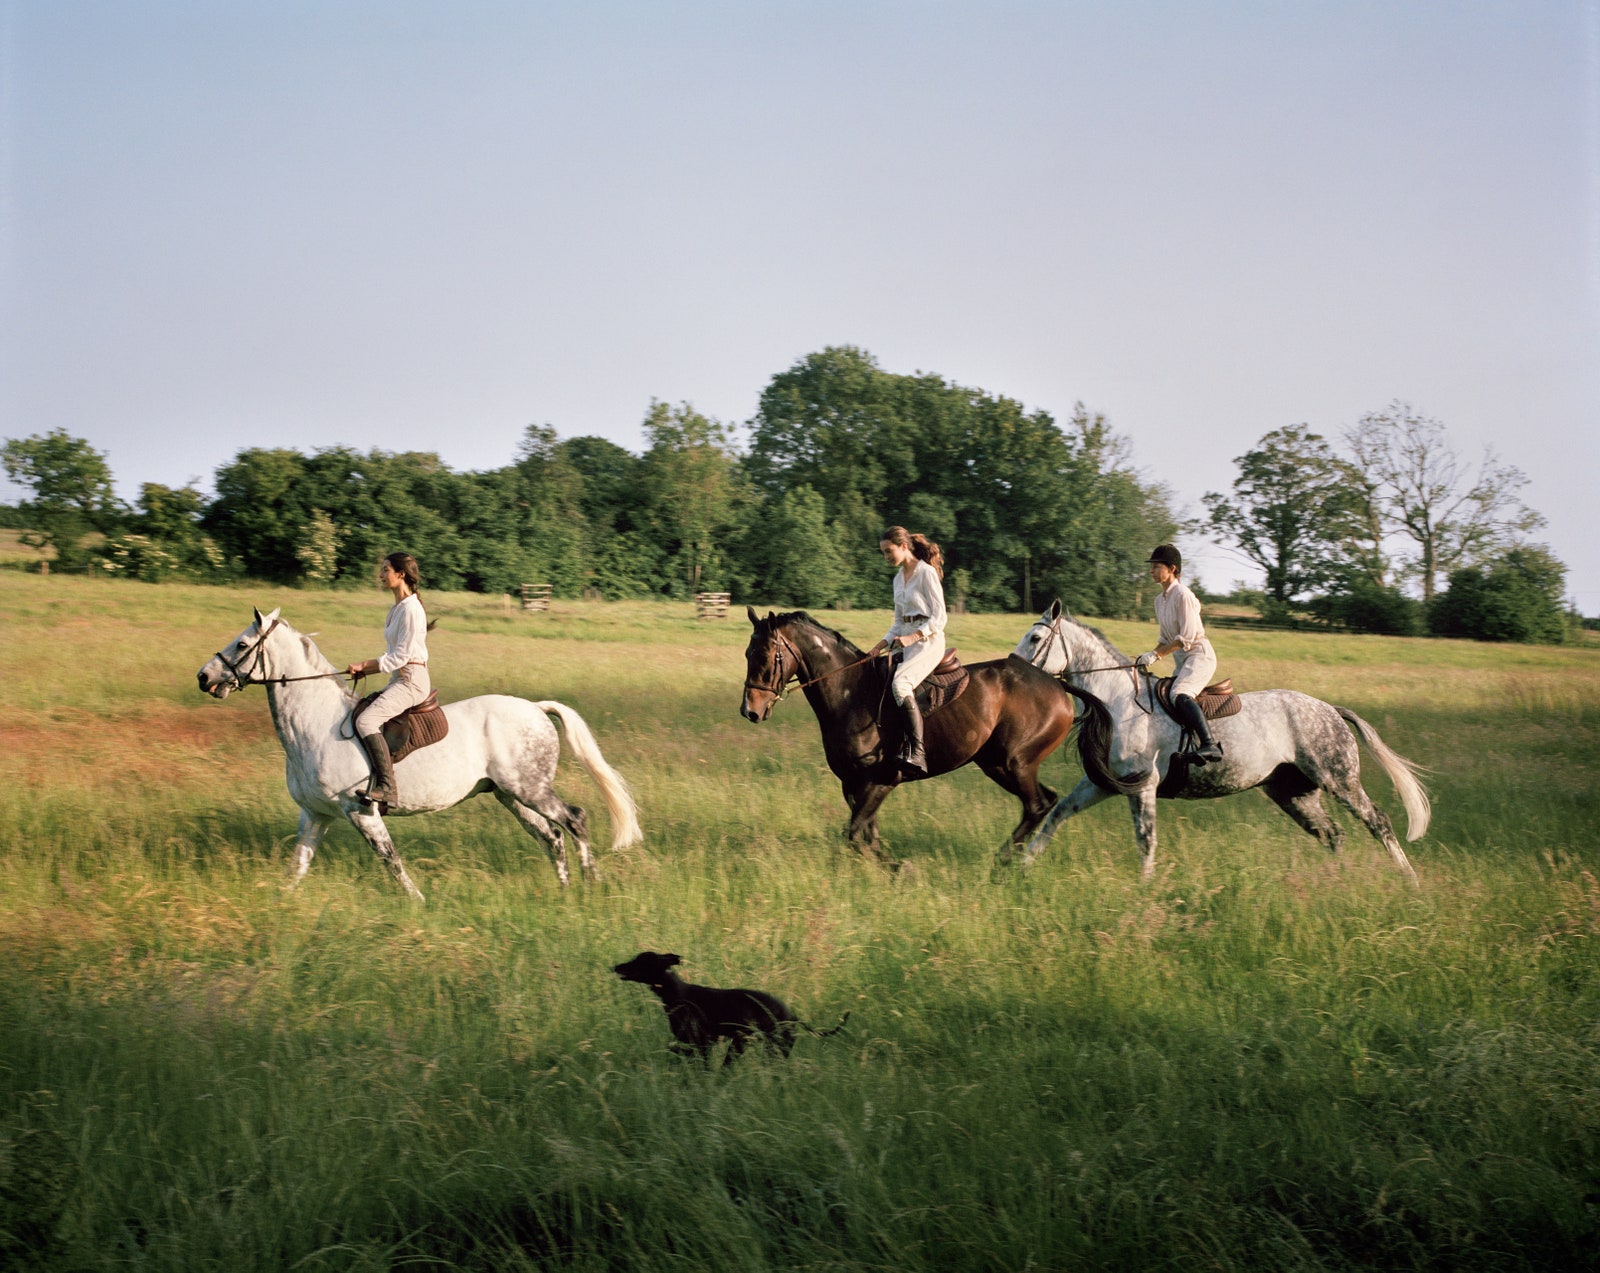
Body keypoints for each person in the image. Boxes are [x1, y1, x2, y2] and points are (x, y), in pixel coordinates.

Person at [345, 551, 430, 806]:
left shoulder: (411, 610)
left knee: (366, 721)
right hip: (399, 679)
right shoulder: (397, 608)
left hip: (412, 682)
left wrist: (364, 665)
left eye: (385, 570)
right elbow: (392, 655)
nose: (381, 575)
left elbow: (400, 657)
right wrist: (366, 668)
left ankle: (388, 789)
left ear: (400, 574)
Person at [868, 526, 947, 775]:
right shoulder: (897, 579)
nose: (886, 557)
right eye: (883, 553)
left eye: (889, 551)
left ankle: (918, 753)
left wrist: (914, 636)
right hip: (908, 640)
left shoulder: (926, 573)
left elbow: (940, 617)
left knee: (900, 684)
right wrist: (879, 646)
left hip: (930, 641)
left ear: (903, 546)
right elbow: (899, 623)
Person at [1135, 544, 1224, 764]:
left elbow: (1186, 638)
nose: (1151, 571)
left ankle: (1209, 745)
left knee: (1179, 694)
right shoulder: (1159, 600)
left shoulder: (1183, 595)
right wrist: (1148, 654)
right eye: (1152, 567)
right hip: (1182, 659)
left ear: (1172, 568)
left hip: (1199, 656)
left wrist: (1156, 656)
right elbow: (1166, 639)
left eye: (1156, 566)